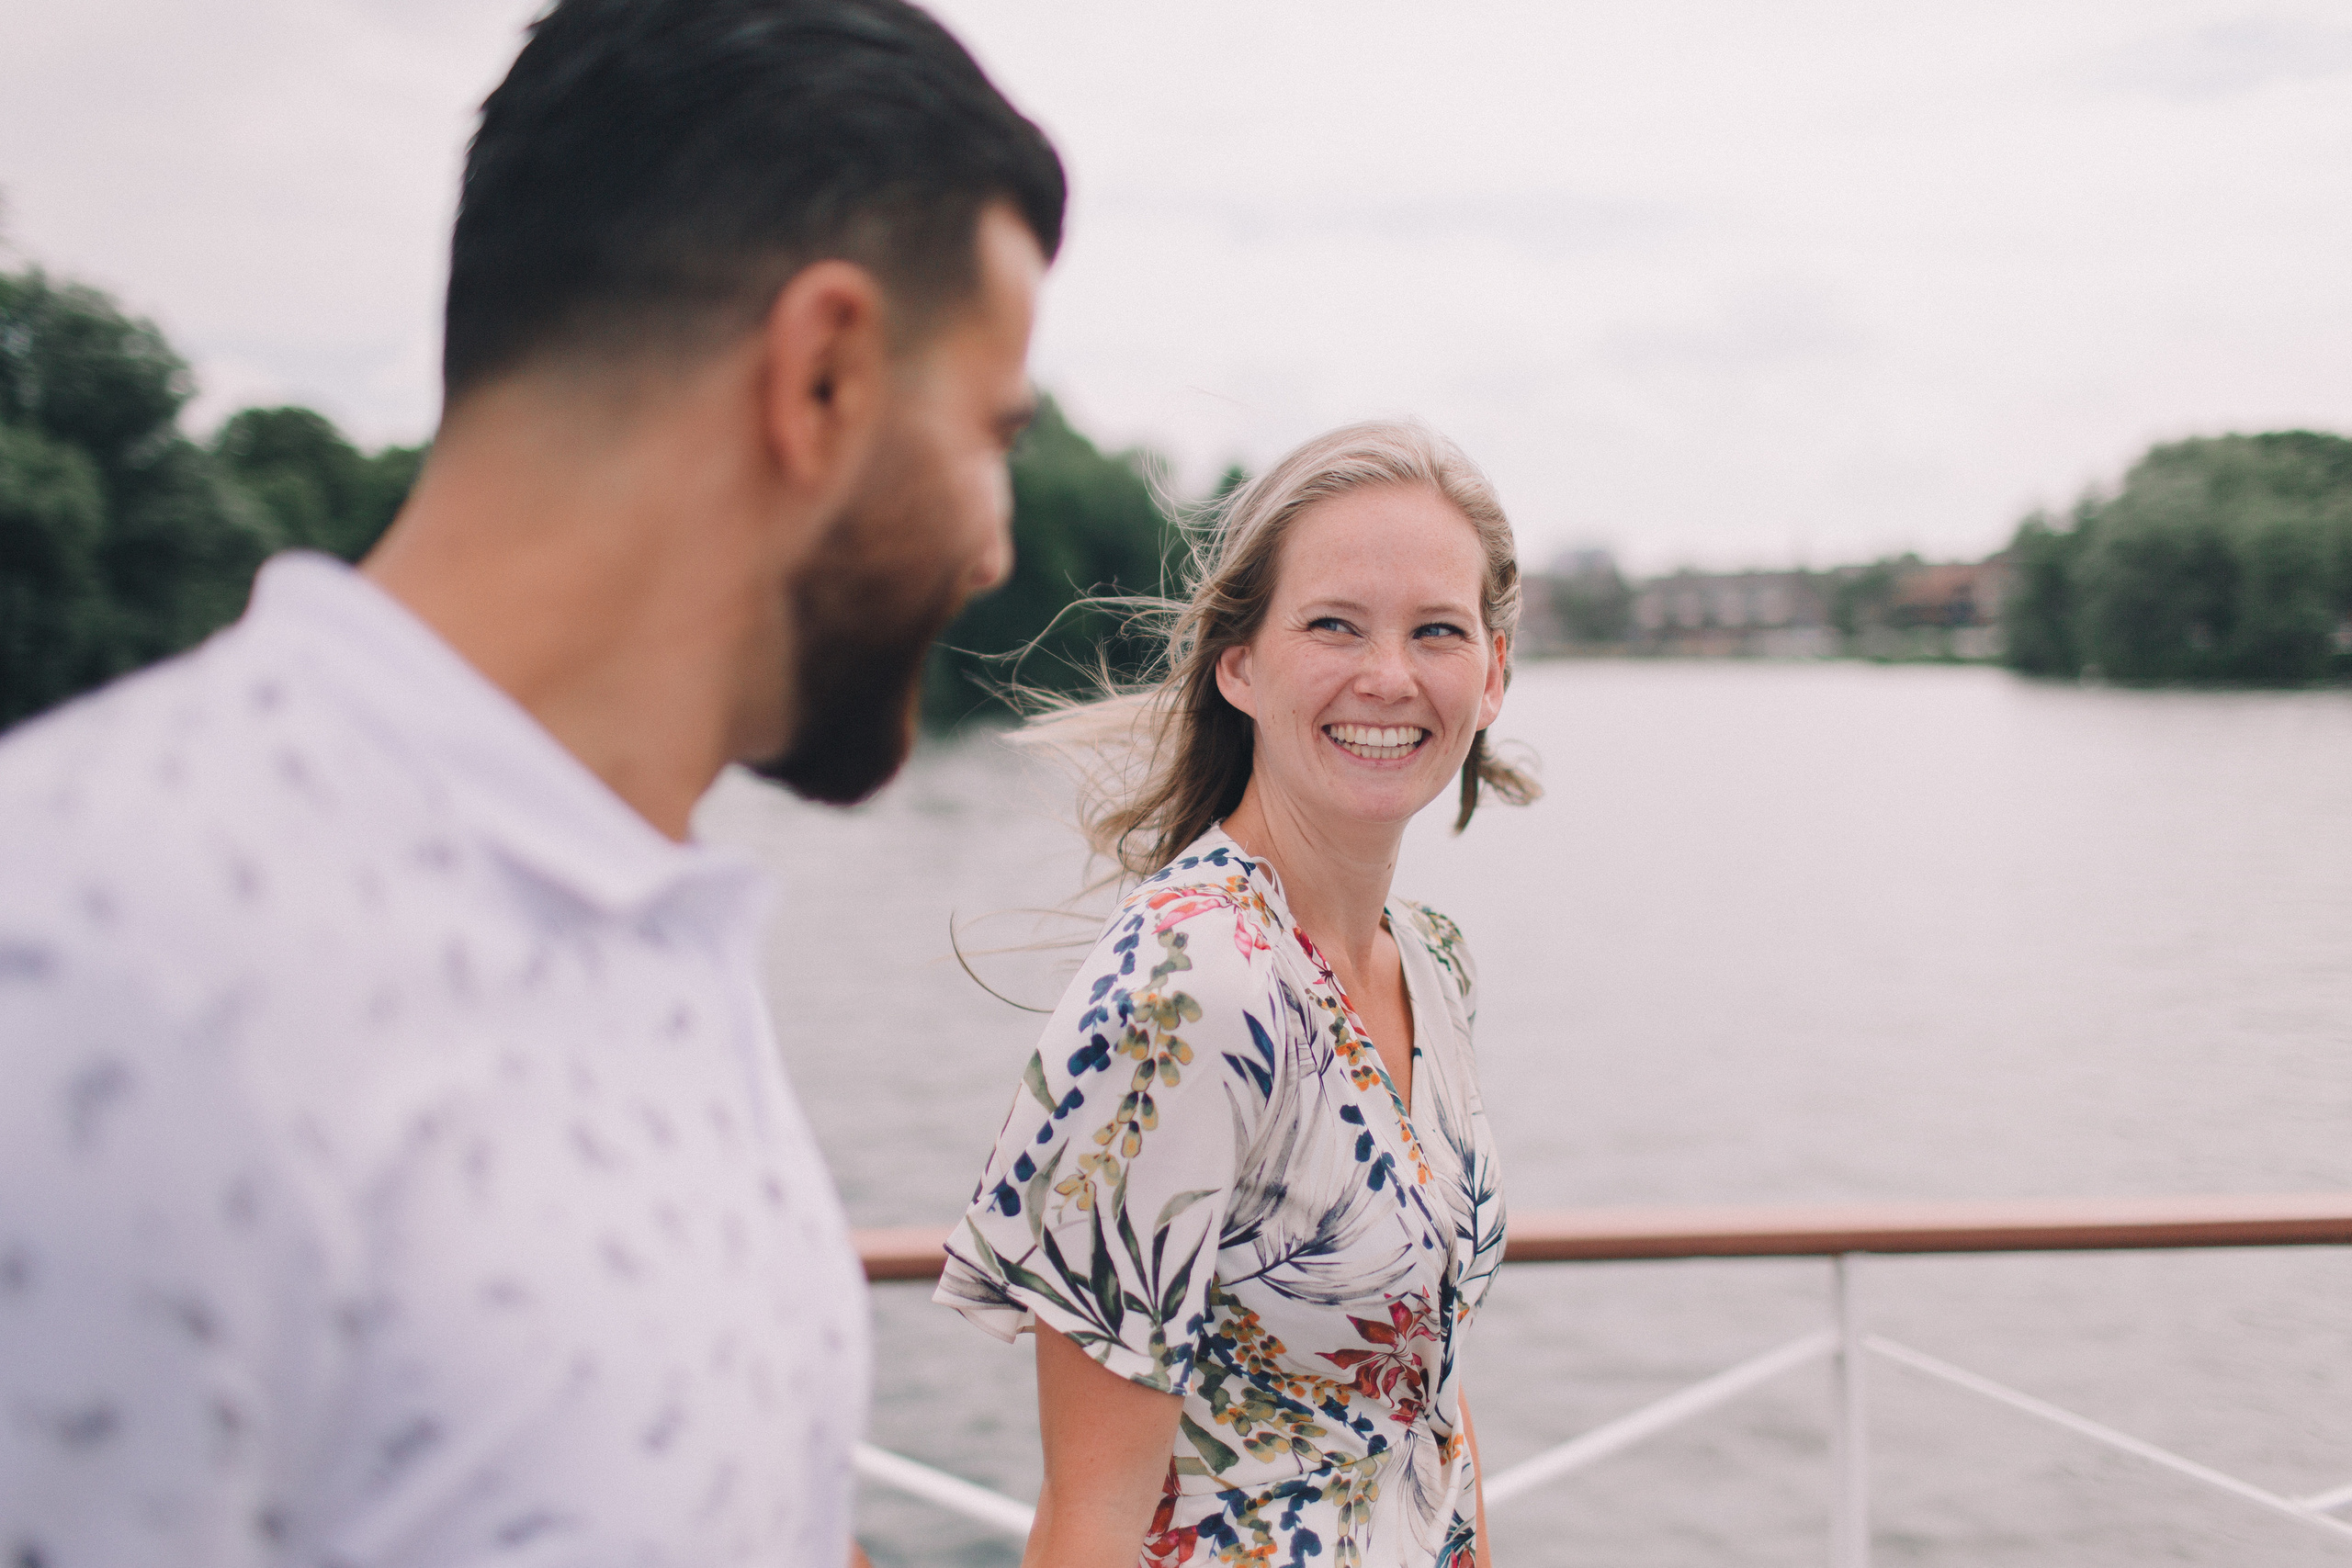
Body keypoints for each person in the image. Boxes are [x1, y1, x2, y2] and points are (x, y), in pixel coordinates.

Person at [0, 1, 1062, 1562]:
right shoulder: (85, 961)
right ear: (821, 377)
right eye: (993, 431)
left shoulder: (642, 919)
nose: (996, 545)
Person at [936, 423, 1537, 1568]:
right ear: (1240, 663)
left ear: (1493, 673)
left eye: (1437, 632)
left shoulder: (1432, 964)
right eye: (1333, 625)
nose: (1389, 678)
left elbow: (1426, 1406)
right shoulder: (1193, 988)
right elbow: (1091, 1516)